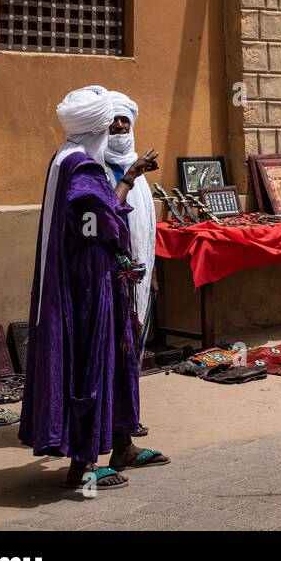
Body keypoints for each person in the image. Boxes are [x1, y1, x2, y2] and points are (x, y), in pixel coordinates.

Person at [19, 85, 169, 490]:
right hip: (90, 286)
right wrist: (130, 180)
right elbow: (100, 225)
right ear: (98, 128)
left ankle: (122, 444)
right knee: (91, 365)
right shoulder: (83, 169)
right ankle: (83, 464)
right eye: (110, 123)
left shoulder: (64, 159)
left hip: (104, 282)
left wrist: (133, 175)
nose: (117, 128)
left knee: (119, 363)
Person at [104, 91, 157, 440]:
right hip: (111, 279)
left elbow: (147, 228)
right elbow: (107, 215)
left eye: (125, 120)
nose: (120, 126)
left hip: (139, 277)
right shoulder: (97, 168)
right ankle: (110, 420)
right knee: (111, 352)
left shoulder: (135, 168)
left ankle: (128, 417)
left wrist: (152, 274)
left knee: (133, 350)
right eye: (114, 120)